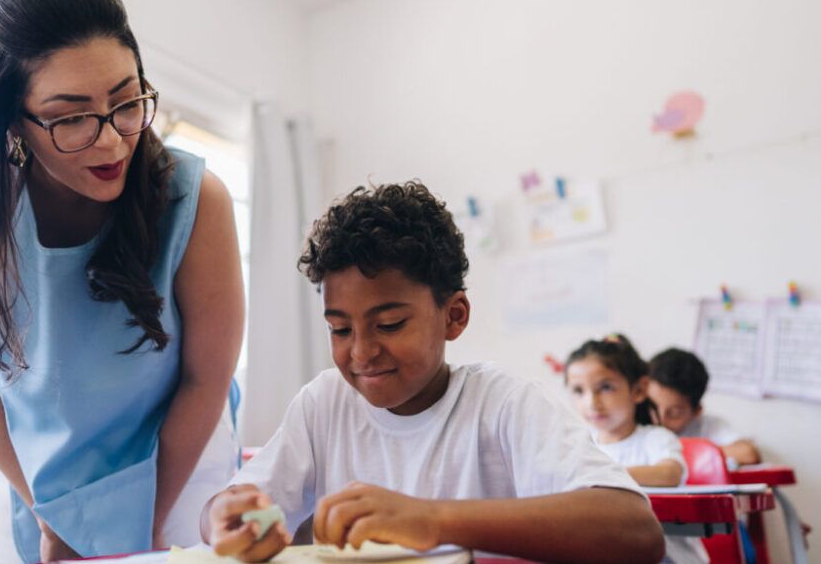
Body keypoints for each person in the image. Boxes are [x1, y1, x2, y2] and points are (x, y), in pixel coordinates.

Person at [0, 0, 244, 563]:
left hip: (173, 461)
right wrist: (52, 518)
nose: (114, 139)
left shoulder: (196, 198)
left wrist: (138, 521)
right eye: (71, 118)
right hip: (26, 470)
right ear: (11, 122)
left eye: (126, 102)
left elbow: (207, 377)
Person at [201, 181, 664, 564]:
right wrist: (224, 514)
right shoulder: (323, 405)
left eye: (389, 324)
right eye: (340, 329)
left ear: (454, 316)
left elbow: (635, 531)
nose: (361, 352)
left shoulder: (503, 404)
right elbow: (229, 508)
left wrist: (431, 520)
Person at [564, 335, 708, 564]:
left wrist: (598, 476)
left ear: (639, 390)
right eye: (579, 391)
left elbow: (669, 474)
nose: (591, 402)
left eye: (605, 388)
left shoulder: (656, 439)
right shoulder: (580, 446)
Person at [647, 348, 761, 467]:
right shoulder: (633, 422)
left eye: (674, 413)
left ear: (697, 411)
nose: (659, 419)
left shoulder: (708, 426)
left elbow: (748, 454)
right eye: (652, 407)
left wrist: (677, 452)